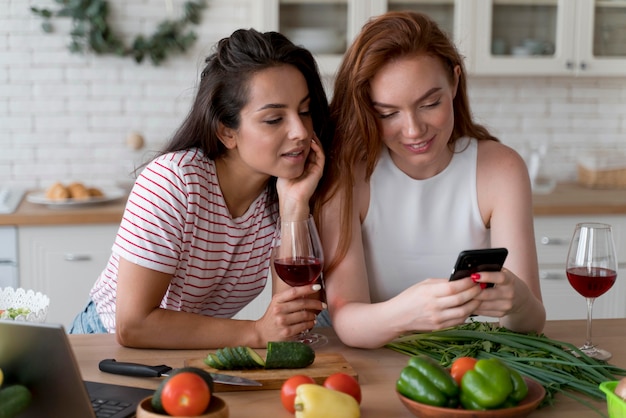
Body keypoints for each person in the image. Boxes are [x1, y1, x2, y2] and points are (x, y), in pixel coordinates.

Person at [69, 28, 331, 349]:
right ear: (226, 131)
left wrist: (294, 207)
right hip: (104, 347)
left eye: (304, 111)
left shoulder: (284, 192)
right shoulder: (174, 181)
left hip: (188, 354)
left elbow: (289, 323)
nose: (300, 131)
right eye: (275, 119)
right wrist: (257, 333)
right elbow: (133, 325)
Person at [314, 11, 546, 349]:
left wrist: (519, 302)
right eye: (387, 113)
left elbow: (532, 324)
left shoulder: (501, 169)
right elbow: (346, 319)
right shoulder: (348, 173)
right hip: (364, 356)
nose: (413, 130)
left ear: (454, 82)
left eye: (429, 103)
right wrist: (408, 313)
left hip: (457, 357)